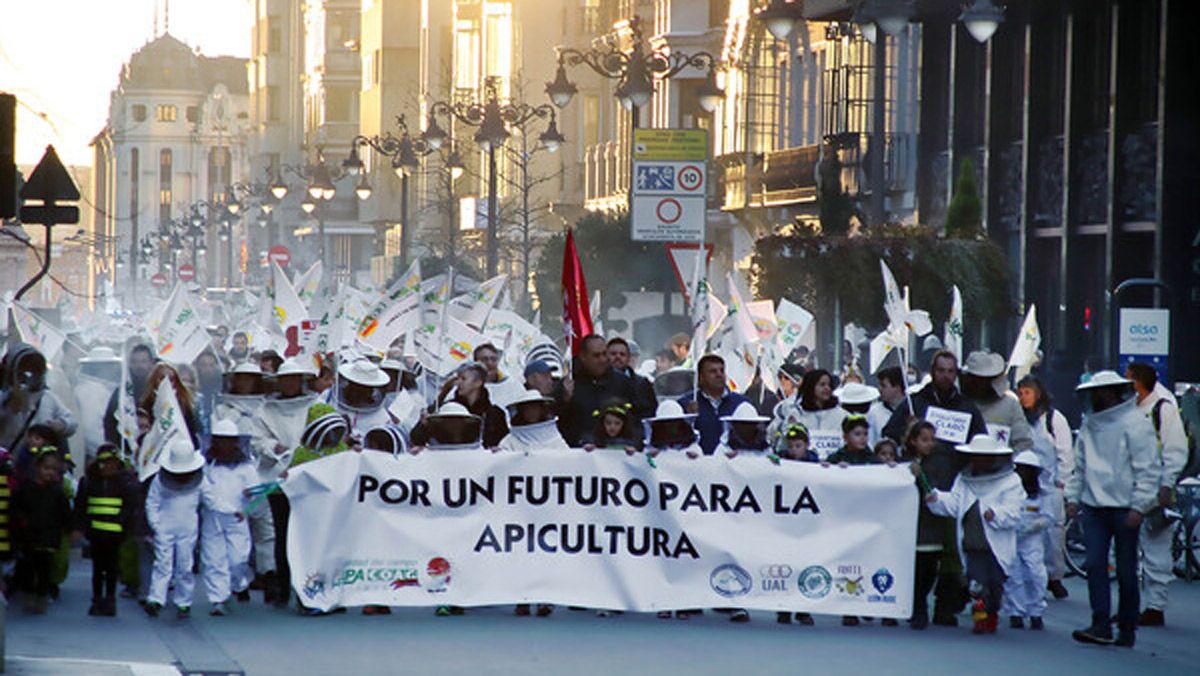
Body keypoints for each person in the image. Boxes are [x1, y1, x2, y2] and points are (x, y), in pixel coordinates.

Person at [883, 350, 988, 626]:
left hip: (954, 486)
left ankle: (945, 607)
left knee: (951, 554)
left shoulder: (967, 407)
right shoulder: (915, 403)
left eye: (951, 371)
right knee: (922, 553)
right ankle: (917, 605)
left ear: (957, 374)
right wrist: (908, 434)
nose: (946, 376)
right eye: (941, 370)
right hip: (918, 489)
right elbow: (889, 436)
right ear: (933, 371)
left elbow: (981, 443)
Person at [1067, 370, 1159, 647]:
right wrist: (1073, 497)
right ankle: (1100, 623)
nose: (1094, 397)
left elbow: (1148, 468)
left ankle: (1128, 626)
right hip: (1094, 506)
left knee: (1126, 569)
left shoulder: (1135, 423)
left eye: (1098, 392)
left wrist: (1140, 505)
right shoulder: (1089, 425)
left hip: (1125, 507)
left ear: (1111, 392)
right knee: (1095, 564)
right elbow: (1079, 465)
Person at [925, 434, 1024, 635]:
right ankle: (981, 620)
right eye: (977, 456)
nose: (980, 460)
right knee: (976, 586)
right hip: (972, 543)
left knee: (994, 585)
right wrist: (936, 498)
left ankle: (992, 612)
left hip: (996, 546)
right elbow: (954, 503)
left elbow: (1015, 511)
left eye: (984, 456)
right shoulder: (964, 479)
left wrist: (995, 514)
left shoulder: (1011, 481)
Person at [1126, 362, 1188, 627]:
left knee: (1155, 547)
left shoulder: (1163, 407)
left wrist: (1167, 484)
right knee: (1127, 550)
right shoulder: (1129, 407)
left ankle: (1155, 605)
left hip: (1155, 488)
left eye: (1128, 378)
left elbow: (1175, 449)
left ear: (1138, 380)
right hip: (1129, 486)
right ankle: (1130, 604)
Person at [1016, 375, 1073, 599]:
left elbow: (1065, 453)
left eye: (1027, 393)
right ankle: (1029, 576)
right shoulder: (1019, 419)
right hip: (1026, 485)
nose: (1023, 398)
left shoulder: (1054, 419)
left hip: (1051, 484)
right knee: (1027, 531)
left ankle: (1054, 576)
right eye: (1020, 393)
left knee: (1054, 533)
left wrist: (1063, 483)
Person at [144, 437, 208, 619]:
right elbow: (152, 502)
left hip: (188, 529)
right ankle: (156, 599)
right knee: (162, 564)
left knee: (185, 565)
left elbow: (211, 499)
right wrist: (157, 525)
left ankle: (184, 601)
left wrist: (230, 510)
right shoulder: (160, 479)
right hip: (165, 527)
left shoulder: (200, 480)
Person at [200, 419, 256, 617]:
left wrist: (248, 506)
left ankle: (239, 583)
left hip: (237, 518)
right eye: (220, 440)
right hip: (212, 518)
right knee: (213, 559)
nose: (224, 444)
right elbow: (202, 491)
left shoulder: (247, 468)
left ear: (235, 443)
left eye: (228, 440)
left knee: (238, 559)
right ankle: (218, 599)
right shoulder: (206, 465)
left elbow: (258, 495)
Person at [73, 443, 133, 617]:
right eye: (104, 463)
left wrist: (124, 526)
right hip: (96, 534)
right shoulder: (89, 482)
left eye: (112, 462)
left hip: (115, 534)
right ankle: (97, 599)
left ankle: (110, 599)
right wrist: (79, 528)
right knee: (98, 568)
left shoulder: (124, 482)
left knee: (112, 568)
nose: (108, 467)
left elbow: (129, 506)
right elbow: (80, 506)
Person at [12, 447, 71, 613]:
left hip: (48, 537)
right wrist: (22, 521)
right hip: (28, 536)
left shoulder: (57, 492)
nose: (49, 473)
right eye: (46, 468)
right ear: (38, 467)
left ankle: (42, 598)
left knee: (45, 569)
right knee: (28, 568)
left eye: (53, 469)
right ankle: (28, 597)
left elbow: (64, 513)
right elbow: (16, 507)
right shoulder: (26, 488)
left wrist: (67, 529)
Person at [1, 343, 77, 471]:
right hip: (7, 469)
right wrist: (9, 407)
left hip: (39, 471)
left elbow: (72, 422)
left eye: (34, 369)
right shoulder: (4, 397)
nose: (30, 376)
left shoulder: (47, 398)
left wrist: (62, 425)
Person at [905, 420, 950, 630]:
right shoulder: (903, 460)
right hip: (910, 527)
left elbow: (935, 491)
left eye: (932, 439)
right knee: (916, 571)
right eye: (924, 440)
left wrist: (920, 475)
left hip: (932, 527)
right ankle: (918, 608)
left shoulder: (940, 462)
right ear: (913, 441)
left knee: (930, 571)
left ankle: (920, 603)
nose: (929, 444)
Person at [557, 335, 641, 446]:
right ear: (583, 357)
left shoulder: (622, 382)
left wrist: (633, 444)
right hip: (579, 453)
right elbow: (558, 424)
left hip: (615, 451)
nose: (602, 360)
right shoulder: (568, 385)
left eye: (604, 354)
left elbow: (636, 419)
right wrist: (565, 401)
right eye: (596, 356)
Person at [1003, 450, 1052, 630]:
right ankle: (1015, 611)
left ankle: (1036, 611)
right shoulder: (1009, 489)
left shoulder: (1043, 493)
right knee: (1013, 574)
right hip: (1011, 536)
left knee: (1035, 573)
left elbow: (1048, 518)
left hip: (1032, 540)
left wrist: (1031, 528)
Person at [414, 363, 508, 449]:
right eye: (457, 379)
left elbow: (502, 443)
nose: (458, 383)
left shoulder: (494, 413)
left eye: (463, 379)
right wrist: (423, 424)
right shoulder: (448, 409)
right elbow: (418, 439)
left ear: (478, 382)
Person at [960, 351, 1034, 454]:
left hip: (1002, 468)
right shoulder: (959, 402)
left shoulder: (1010, 404)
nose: (978, 385)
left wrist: (1007, 462)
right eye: (974, 379)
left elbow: (1023, 442)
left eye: (982, 380)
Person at [679, 355, 749, 455]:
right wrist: (688, 418)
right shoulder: (686, 403)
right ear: (701, 377)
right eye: (713, 371)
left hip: (732, 465)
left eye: (722, 370)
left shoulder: (741, 403)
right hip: (699, 464)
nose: (719, 374)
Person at [769, 368, 847, 458]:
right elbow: (782, 446)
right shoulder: (796, 414)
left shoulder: (842, 415)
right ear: (811, 386)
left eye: (829, 385)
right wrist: (789, 429)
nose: (827, 388)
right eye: (822, 385)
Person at [73, 347, 122, 467]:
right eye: (110, 366)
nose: (114, 370)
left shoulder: (105, 389)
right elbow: (90, 428)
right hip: (99, 456)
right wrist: (105, 452)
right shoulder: (88, 391)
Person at [104, 344, 156, 449]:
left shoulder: (158, 389)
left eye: (143, 361)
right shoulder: (122, 392)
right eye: (135, 361)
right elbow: (110, 422)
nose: (139, 366)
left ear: (151, 363)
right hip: (127, 449)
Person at [335, 359, 394, 442]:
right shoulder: (329, 400)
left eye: (364, 389)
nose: (358, 392)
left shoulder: (381, 417)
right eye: (355, 387)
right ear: (349, 384)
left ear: (371, 390)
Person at [497, 389, 568, 454]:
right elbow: (502, 460)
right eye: (527, 408)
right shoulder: (510, 441)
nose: (531, 412)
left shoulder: (553, 436)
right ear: (521, 411)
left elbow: (566, 458)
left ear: (541, 410)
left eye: (534, 408)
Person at [607, 337, 657, 417]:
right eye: (613, 354)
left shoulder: (643, 384)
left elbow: (650, 411)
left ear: (628, 358)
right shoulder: (597, 383)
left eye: (622, 354)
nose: (618, 357)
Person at [868, 367, 906, 447]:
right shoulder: (874, 412)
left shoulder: (912, 409)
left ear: (897, 387)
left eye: (883, 385)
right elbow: (870, 441)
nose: (879, 389)